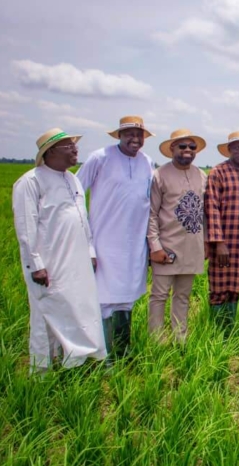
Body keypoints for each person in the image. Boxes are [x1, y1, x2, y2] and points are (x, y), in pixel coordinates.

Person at [13, 128, 106, 373]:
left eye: (75, 145)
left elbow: (81, 219)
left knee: (77, 308)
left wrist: (90, 252)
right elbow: (26, 225)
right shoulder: (30, 181)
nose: (75, 149)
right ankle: (42, 370)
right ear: (51, 151)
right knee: (46, 314)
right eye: (69, 146)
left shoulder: (72, 179)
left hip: (76, 260)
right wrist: (36, 265)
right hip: (48, 263)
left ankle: (73, 362)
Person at [76, 115, 154, 361]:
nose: (135, 139)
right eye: (129, 133)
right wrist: (85, 243)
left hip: (135, 243)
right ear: (119, 135)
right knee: (104, 298)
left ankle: (123, 352)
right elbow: (76, 192)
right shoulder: (100, 157)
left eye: (139, 134)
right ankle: (102, 355)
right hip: (104, 241)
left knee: (127, 297)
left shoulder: (147, 162)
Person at [147, 129, 208, 342]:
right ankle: (156, 340)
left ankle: (180, 338)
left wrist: (207, 242)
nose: (188, 151)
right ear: (172, 148)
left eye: (192, 147)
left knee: (183, 295)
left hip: (192, 246)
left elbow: (205, 213)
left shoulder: (201, 176)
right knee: (159, 295)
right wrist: (155, 246)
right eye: (183, 146)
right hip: (167, 246)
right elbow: (152, 214)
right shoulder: (159, 175)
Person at [205, 131, 239, 335]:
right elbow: (211, 208)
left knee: (235, 288)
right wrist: (218, 242)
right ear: (228, 150)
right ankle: (217, 332)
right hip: (225, 242)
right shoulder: (217, 172)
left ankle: (229, 330)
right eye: (236, 147)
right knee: (219, 289)